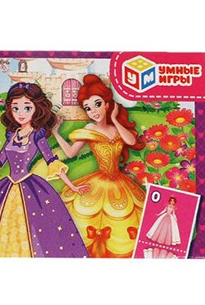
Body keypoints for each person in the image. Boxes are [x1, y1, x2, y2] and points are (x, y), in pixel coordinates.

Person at [0, 82, 88, 258]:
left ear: (37, 109)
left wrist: (72, 186)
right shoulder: (11, 135)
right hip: (7, 187)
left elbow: (52, 162)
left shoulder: (37, 135)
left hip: (30, 187)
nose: (21, 113)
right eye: (16, 108)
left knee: (36, 228)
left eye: (27, 108)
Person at [52, 75, 145, 258]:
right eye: (88, 108)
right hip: (98, 180)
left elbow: (131, 141)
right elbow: (70, 153)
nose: (93, 111)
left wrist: (115, 120)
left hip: (119, 181)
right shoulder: (90, 129)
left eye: (97, 104)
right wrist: (55, 132)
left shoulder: (115, 128)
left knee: (126, 214)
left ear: (107, 105)